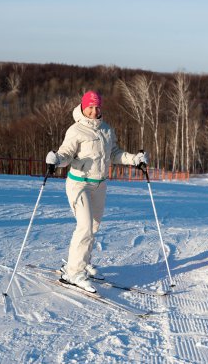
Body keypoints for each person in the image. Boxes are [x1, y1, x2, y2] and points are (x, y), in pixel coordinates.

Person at [46, 91, 148, 292]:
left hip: (100, 184)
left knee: (93, 227)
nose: (94, 111)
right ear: (83, 108)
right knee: (84, 226)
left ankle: (83, 262)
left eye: (97, 107)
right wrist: (56, 159)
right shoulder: (76, 130)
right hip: (79, 183)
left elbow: (115, 153)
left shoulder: (107, 130)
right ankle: (73, 272)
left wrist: (134, 159)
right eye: (90, 107)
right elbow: (66, 154)